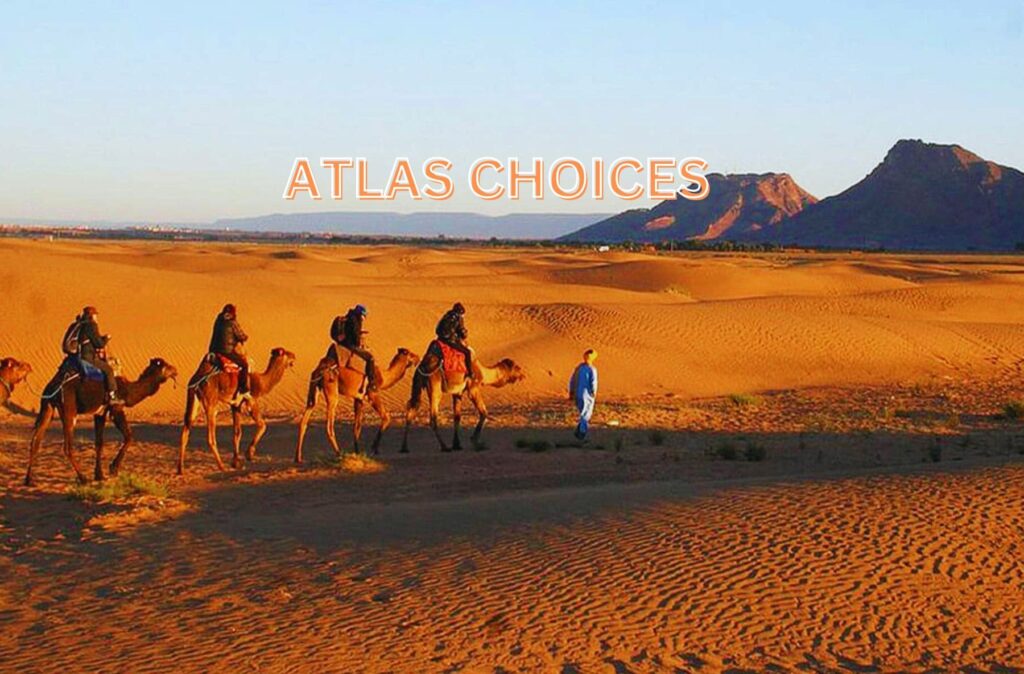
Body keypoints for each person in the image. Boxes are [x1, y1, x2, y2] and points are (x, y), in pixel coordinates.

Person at [63, 306, 122, 406]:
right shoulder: (91, 325)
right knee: (109, 370)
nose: (96, 317)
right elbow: (99, 344)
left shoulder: (80, 324)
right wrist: (106, 339)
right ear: (92, 316)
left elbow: (90, 339)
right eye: (95, 315)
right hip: (88, 357)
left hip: (79, 355)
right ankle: (112, 396)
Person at [328, 304, 377, 391]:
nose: (364, 318)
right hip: (350, 345)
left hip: (343, 342)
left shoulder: (349, 317)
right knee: (370, 358)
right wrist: (358, 342)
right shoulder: (355, 320)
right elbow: (354, 334)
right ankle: (372, 383)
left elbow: (350, 331)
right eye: (364, 315)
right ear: (360, 314)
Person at [208, 304, 250, 401]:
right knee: (244, 365)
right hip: (227, 351)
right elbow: (240, 335)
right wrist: (245, 337)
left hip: (215, 349)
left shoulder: (218, 321)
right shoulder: (232, 322)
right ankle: (243, 388)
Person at [568, 349, 599, 442]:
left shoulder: (578, 368)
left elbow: (572, 380)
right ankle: (581, 433)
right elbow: (593, 382)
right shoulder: (592, 369)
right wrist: (594, 392)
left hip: (578, 393)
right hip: (587, 394)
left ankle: (580, 429)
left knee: (583, 413)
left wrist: (571, 392)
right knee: (586, 414)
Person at [435, 302, 473, 376]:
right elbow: (461, 331)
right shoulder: (458, 318)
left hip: (440, 338)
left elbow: (438, 328)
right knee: (467, 352)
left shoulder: (447, 315)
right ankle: (470, 373)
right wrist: (464, 334)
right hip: (450, 340)